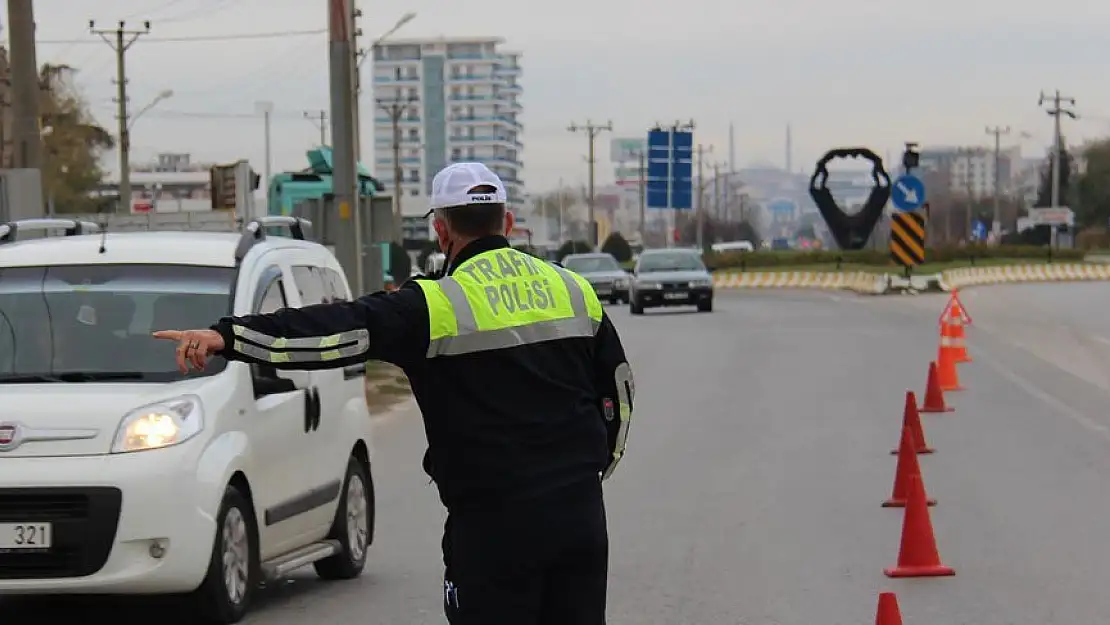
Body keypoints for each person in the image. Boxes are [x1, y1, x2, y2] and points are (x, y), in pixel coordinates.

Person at [152, 162, 635, 625]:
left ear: (442, 231)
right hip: (580, 518)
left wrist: (229, 338)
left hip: (495, 527)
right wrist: (594, 469)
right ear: (506, 222)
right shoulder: (575, 291)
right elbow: (619, 393)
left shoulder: (434, 305)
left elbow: (328, 333)